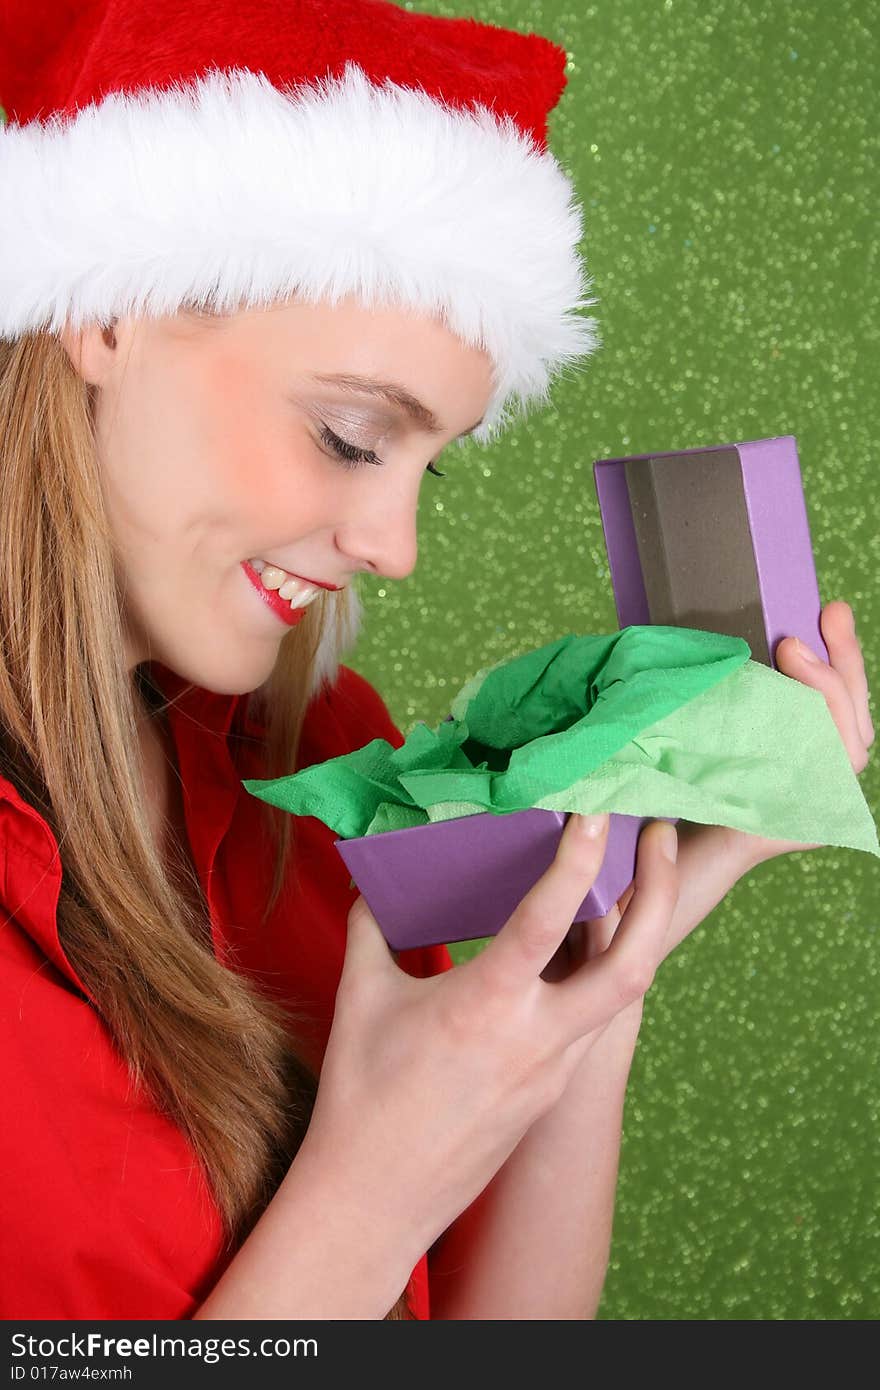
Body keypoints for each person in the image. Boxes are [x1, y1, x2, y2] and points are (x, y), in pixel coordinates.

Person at [0, 2, 872, 1322]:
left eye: (431, 466)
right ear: (107, 312)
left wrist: (598, 972)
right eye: (353, 435)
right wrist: (374, 1179)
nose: (395, 544)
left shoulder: (323, 763)